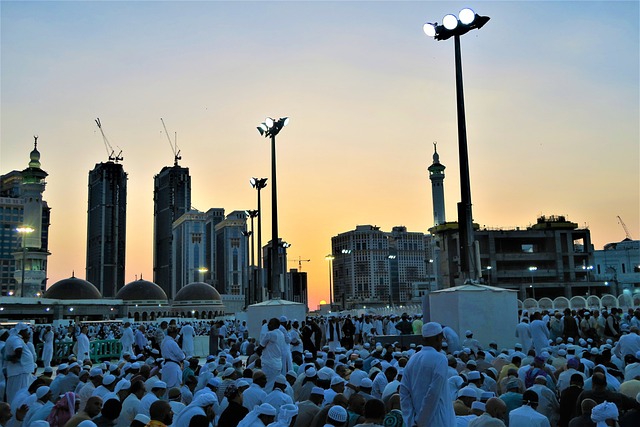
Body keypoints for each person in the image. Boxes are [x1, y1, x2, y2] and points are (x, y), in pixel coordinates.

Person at [399, 322, 455, 427]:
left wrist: (411, 421)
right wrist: (421, 422)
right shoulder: (440, 358)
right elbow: (433, 393)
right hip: (439, 421)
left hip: (415, 422)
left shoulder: (412, 359)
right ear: (438, 338)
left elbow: (404, 393)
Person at [5, 323, 35, 404]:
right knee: (19, 393)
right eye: (25, 331)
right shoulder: (15, 339)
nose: (27, 333)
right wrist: (16, 358)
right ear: (20, 331)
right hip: (20, 371)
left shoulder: (14, 338)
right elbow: (18, 349)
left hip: (20, 370)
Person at [260, 318, 286, 392]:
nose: (268, 325)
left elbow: (261, 346)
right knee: (272, 385)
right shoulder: (281, 334)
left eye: (270, 323)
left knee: (267, 386)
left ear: (275, 325)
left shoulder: (270, 334)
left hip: (269, 364)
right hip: (278, 364)